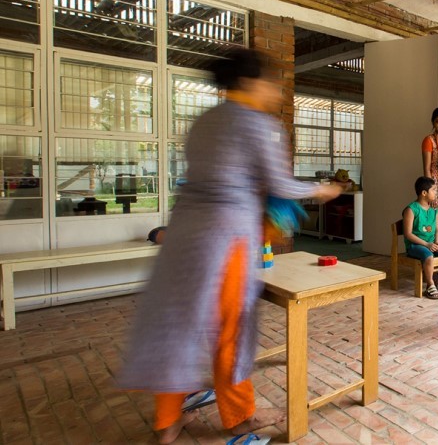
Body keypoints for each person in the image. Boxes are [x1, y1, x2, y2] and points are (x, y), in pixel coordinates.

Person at [118, 48, 342, 445]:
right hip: (226, 239)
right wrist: (322, 189)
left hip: (184, 233)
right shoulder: (258, 124)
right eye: (270, 82)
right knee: (231, 330)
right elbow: (280, 185)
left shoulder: (202, 122)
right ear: (248, 82)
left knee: (180, 325)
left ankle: (167, 422)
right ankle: (238, 420)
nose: (275, 90)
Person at [402, 176, 438, 299]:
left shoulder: (433, 211)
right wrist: (427, 244)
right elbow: (408, 234)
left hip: (431, 243)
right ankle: (429, 286)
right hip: (415, 245)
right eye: (434, 190)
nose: (436, 192)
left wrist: (436, 242)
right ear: (424, 193)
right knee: (428, 256)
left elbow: (437, 231)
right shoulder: (411, 209)